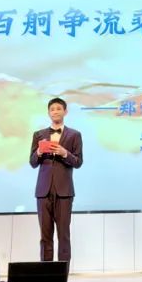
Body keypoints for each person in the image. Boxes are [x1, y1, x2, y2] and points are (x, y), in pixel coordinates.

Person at [29, 97, 83, 263]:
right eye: (52, 109)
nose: (55, 112)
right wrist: (39, 152)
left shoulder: (74, 135)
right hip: (43, 191)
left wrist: (64, 153)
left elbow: (78, 162)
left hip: (64, 192)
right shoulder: (39, 135)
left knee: (63, 235)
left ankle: (62, 274)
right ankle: (46, 274)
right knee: (45, 236)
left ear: (65, 112)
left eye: (59, 109)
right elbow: (32, 162)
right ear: (48, 113)